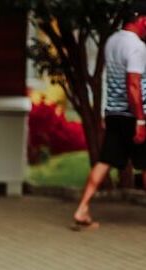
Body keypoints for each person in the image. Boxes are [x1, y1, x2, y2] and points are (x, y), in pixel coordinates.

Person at [73, 4, 146, 229]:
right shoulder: (137, 47)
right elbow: (133, 84)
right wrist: (141, 120)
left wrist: (106, 110)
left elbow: (109, 77)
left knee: (105, 161)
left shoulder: (112, 41)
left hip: (114, 112)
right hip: (133, 116)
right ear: (140, 20)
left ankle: (82, 208)